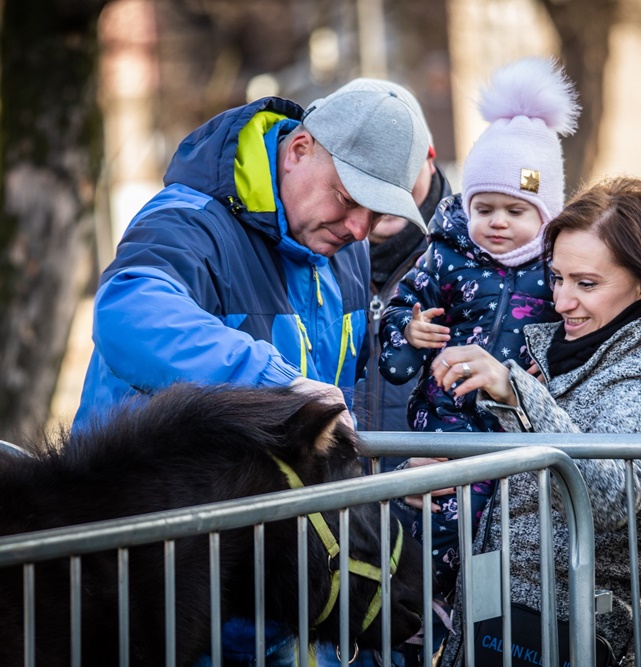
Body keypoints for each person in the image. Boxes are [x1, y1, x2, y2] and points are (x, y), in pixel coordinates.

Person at [73, 83, 430, 665]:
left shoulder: (344, 247)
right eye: (348, 197)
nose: (361, 228)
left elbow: (341, 400)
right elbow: (129, 313)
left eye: (378, 211)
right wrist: (273, 382)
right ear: (299, 151)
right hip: (152, 591)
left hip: (274, 591)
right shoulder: (189, 222)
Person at [425, 176, 641, 667]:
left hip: (574, 635)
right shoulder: (581, 348)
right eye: (556, 277)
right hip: (507, 623)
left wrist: (516, 391)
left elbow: (608, 493)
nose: (563, 300)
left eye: (586, 284)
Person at [377, 57, 577, 641]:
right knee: (428, 535)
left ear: (546, 213)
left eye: (516, 211)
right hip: (441, 434)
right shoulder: (445, 253)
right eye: (484, 207)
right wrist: (409, 333)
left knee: (493, 561)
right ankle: (418, 626)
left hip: (512, 438)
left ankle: (479, 634)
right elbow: (396, 335)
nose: (495, 223)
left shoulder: (557, 268)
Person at [350, 79, 453, 432]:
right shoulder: (318, 257)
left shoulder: (473, 256)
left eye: (404, 167)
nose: (391, 186)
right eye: (373, 173)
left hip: (436, 480)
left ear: (430, 160)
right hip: (344, 481)